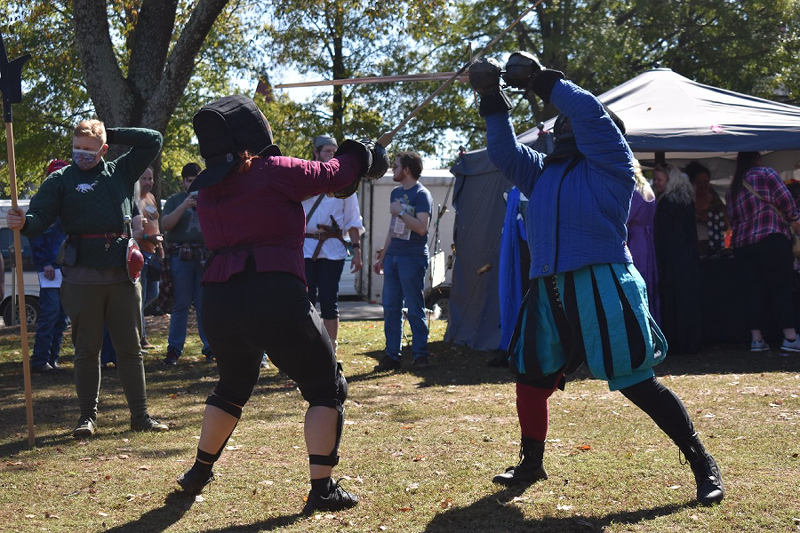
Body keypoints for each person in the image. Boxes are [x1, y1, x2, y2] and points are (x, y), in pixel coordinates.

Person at [467, 52, 723, 505]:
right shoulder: (543, 172)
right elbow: (504, 153)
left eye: (569, 122)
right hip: (547, 286)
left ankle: (701, 460)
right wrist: (492, 98)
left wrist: (542, 80)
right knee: (529, 378)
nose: (564, 125)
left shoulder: (612, 163)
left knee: (636, 381)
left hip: (602, 282)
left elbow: (585, 109)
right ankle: (531, 461)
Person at [174, 95, 387, 513]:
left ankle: (198, 471)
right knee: (328, 387)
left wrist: (356, 162)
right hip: (272, 293)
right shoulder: (273, 170)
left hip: (218, 299)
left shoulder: (209, 186)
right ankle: (322, 490)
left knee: (232, 387)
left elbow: (336, 180)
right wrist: (360, 153)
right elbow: (335, 172)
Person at [5, 119, 168, 438]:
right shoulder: (60, 180)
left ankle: (140, 415)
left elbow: (153, 140)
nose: (81, 155)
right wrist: (22, 222)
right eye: (76, 148)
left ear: (103, 150)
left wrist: (110, 131)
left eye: (88, 150)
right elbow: (39, 220)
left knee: (130, 349)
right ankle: (86, 417)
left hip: (122, 277)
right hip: (80, 278)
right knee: (86, 350)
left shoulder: (121, 171)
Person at [725, 151, 800, 354]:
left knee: (752, 291)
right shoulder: (766, 173)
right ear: (757, 158)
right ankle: (790, 338)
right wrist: (794, 217)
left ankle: (757, 340)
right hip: (771, 238)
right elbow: (786, 201)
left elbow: (731, 218)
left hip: (743, 245)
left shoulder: (733, 187)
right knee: (780, 288)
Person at [372, 151, 433, 371]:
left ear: (406, 170)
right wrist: (382, 257)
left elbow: (422, 227)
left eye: (396, 166)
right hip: (394, 257)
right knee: (390, 308)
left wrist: (400, 213)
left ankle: (420, 355)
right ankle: (392, 356)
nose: (393, 169)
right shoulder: (396, 193)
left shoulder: (422, 194)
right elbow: (392, 229)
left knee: (415, 308)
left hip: (413, 257)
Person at [303, 135, 365, 354]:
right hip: (305, 249)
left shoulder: (346, 184)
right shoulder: (304, 178)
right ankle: (307, 349)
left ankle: (331, 351)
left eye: (334, 151)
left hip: (333, 250)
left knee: (330, 301)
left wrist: (357, 252)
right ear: (316, 153)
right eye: (327, 151)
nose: (331, 155)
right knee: (304, 303)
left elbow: (353, 220)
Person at [161, 163, 212, 365]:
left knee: (204, 305)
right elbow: (165, 225)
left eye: (197, 180)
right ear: (183, 181)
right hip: (180, 256)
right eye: (190, 180)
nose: (193, 184)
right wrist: (184, 206)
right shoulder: (175, 200)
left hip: (204, 256)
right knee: (180, 305)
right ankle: (174, 349)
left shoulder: (209, 199)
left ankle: (210, 347)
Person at [653, 164, 703, 354]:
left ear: (669, 181)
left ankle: (675, 342)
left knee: (673, 301)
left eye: (659, 179)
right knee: (687, 301)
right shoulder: (686, 201)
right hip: (687, 258)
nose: (656, 183)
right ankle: (689, 343)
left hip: (671, 259)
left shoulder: (666, 204)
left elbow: (663, 237)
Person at [28, 159, 70, 374]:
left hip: (66, 265)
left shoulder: (69, 198)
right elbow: (34, 233)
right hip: (49, 267)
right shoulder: (41, 200)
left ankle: (53, 358)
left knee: (62, 315)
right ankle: (39, 359)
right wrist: (44, 262)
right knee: (50, 312)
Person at [135, 166, 163, 350]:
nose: (148, 182)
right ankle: (141, 338)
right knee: (142, 296)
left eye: (150, 178)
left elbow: (155, 224)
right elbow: (133, 230)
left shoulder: (152, 198)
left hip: (153, 253)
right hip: (140, 252)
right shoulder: (135, 199)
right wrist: (147, 238)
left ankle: (132, 319)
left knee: (153, 294)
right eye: (144, 179)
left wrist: (159, 245)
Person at [685, 161, 728, 258]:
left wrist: (711, 219)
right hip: (693, 247)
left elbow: (726, 225)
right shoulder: (687, 203)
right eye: (699, 183)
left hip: (714, 247)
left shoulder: (715, 201)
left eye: (706, 182)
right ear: (693, 183)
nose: (703, 186)